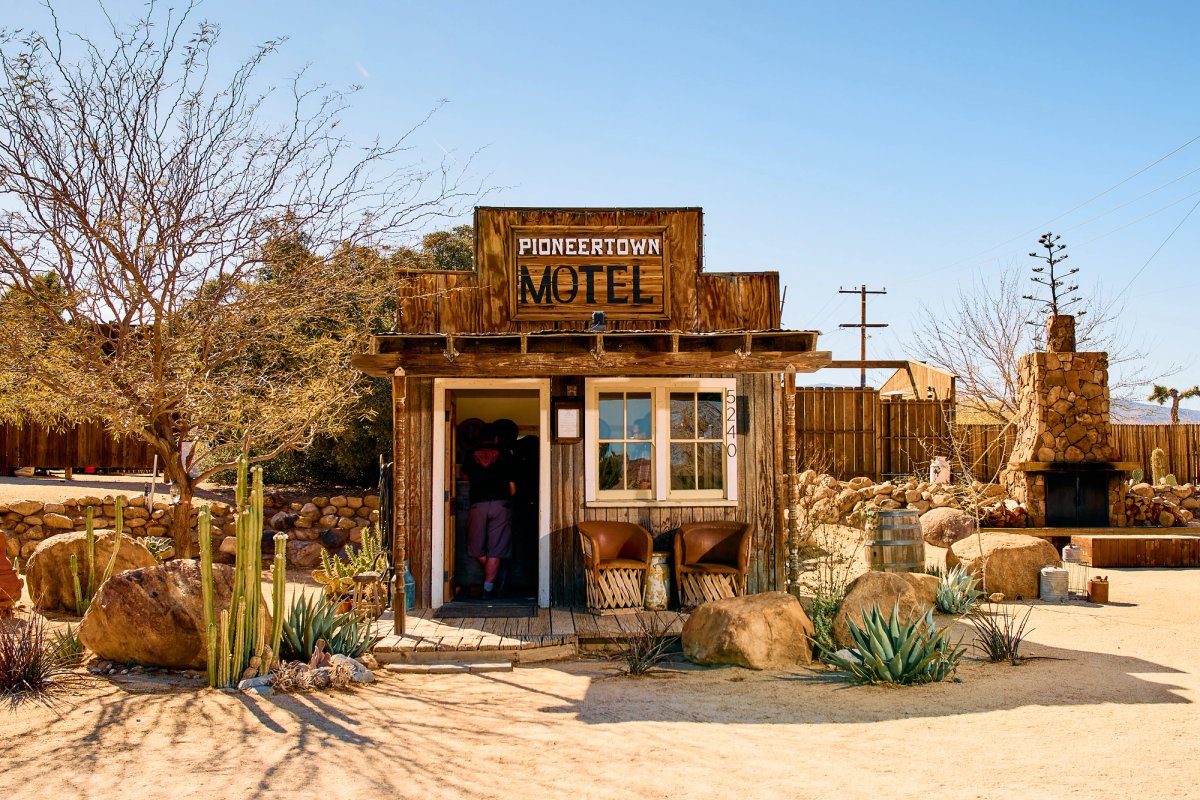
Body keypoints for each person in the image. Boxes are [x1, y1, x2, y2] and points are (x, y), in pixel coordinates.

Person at [462, 423, 515, 600]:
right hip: (500, 504)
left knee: (475, 548)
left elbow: (464, 477)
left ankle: (491, 578)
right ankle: (489, 586)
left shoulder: (470, 454)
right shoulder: (506, 454)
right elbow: (512, 487)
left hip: (477, 504)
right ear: (496, 438)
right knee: (497, 549)